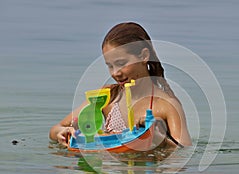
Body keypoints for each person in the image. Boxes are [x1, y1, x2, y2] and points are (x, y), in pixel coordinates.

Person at [49, 22, 191, 149]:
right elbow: (56, 129)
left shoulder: (167, 105)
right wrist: (62, 133)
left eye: (121, 63)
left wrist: (161, 139)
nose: (115, 73)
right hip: (110, 173)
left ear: (144, 56)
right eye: (109, 66)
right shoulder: (107, 97)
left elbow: (184, 152)